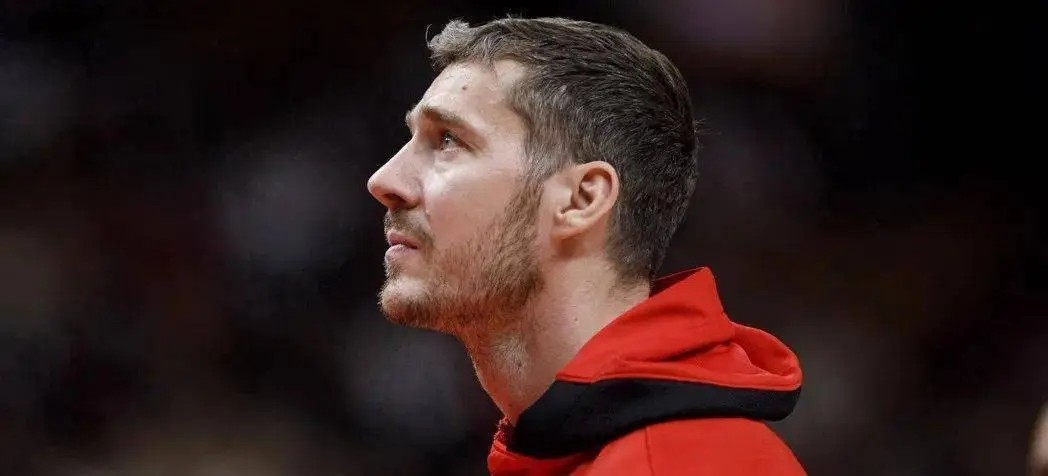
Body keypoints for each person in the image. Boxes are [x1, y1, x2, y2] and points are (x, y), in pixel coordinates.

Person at [366, 17, 805, 475]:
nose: (384, 180)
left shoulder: (676, 464)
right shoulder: (590, 448)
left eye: (448, 140)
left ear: (581, 199)